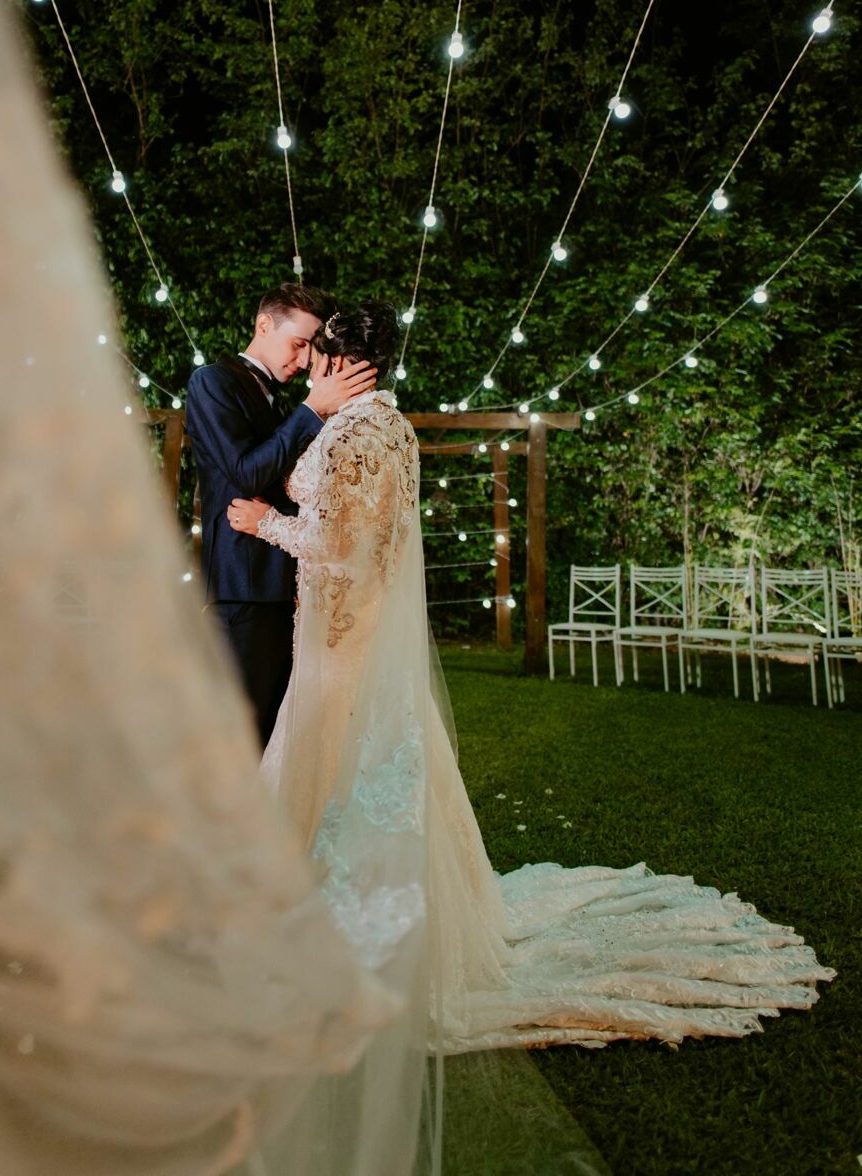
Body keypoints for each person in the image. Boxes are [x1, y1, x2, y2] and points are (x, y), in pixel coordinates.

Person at [228, 301, 835, 1049]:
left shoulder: (359, 431)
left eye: (315, 352)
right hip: (339, 630)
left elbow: (347, 549)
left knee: (337, 766)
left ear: (334, 359)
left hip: (342, 636)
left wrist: (265, 525)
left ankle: (335, 931)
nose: (308, 366)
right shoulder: (383, 426)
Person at [186, 283, 375, 745]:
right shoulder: (212, 382)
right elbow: (245, 472)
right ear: (263, 324)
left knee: (274, 736)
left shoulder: (283, 404)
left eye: (313, 348)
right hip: (242, 587)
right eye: (299, 343)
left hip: (287, 588)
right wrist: (313, 410)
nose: (306, 359)